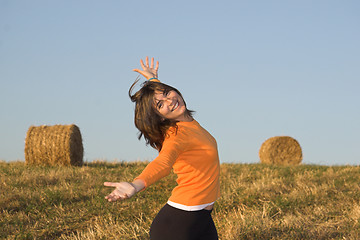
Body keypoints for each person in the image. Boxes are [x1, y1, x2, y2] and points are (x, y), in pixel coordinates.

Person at [104, 57, 220, 240]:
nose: (169, 100)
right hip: (179, 224)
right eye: (160, 104)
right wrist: (136, 184)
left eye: (167, 92)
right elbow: (163, 163)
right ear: (160, 117)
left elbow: (161, 96)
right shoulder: (177, 135)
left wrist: (153, 81)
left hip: (202, 219)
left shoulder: (188, 123)